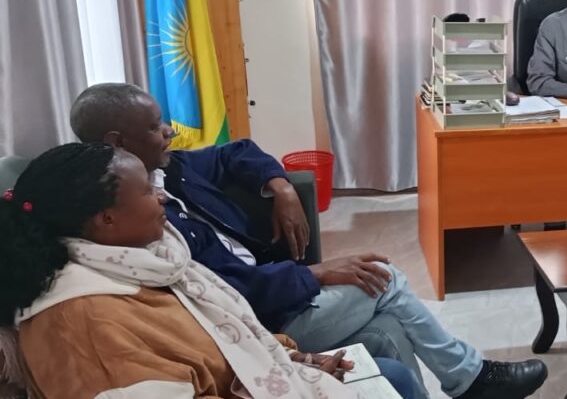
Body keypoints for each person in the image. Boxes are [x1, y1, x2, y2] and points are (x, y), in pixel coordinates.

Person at [69, 84, 548, 399]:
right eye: (155, 126)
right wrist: (316, 273)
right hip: (263, 316)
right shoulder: (139, 220)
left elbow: (237, 151)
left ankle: (460, 381)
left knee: (389, 331)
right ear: (117, 141)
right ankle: (470, 378)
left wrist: (280, 186)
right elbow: (226, 293)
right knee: (387, 279)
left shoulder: (168, 170)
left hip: (275, 287)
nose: (169, 130)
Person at [0, 143, 419, 398]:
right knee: (392, 366)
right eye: (147, 191)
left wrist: (295, 358)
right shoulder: (83, 320)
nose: (161, 197)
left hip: (258, 377)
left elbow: (218, 337)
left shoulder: (143, 261)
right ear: (105, 219)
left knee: (392, 369)